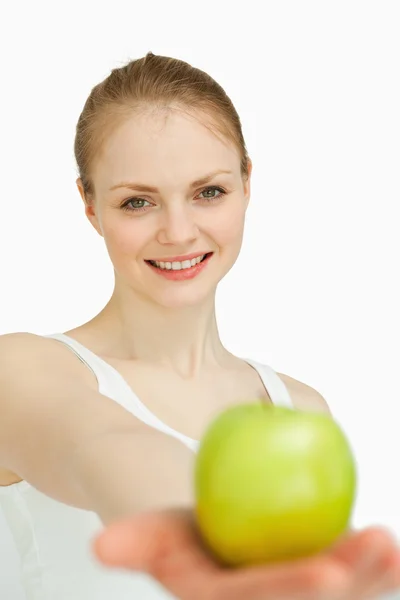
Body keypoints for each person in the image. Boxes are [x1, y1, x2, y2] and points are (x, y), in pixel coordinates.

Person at [0, 51, 399, 600]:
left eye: (208, 192)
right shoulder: (21, 369)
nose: (179, 232)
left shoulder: (298, 408)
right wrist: (192, 533)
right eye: (137, 202)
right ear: (90, 207)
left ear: (246, 183)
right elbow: (102, 446)